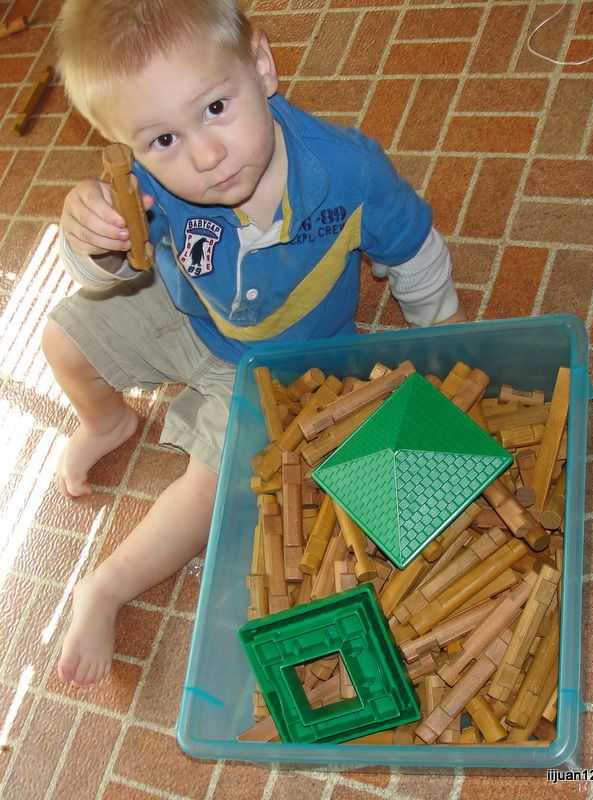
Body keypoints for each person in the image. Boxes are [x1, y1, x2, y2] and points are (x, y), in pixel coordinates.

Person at [44, 0, 465, 688]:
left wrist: (442, 328)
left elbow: (413, 247)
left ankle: (108, 586)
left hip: (279, 360)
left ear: (262, 66)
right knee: (61, 337)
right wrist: (89, 237)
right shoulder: (145, 188)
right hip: (190, 313)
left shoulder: (346, 169)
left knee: (211, 487)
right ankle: (108, 420)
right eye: (161, 140)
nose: (205, 157)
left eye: (214, 109)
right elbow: (108, 267)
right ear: (124, 148)